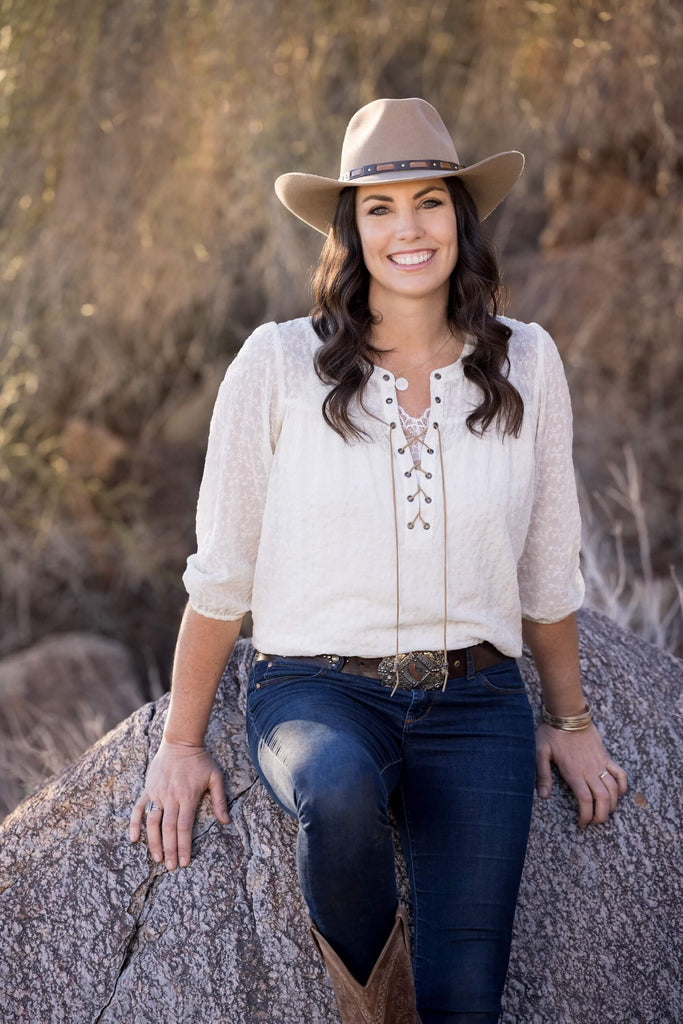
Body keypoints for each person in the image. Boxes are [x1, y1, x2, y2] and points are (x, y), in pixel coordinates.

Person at [129, 98, 628, 1024]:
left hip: (477, 706)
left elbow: (546, 567)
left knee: (468, 997)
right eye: (379, 207)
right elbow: (222, 572)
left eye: (429, 202)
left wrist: (569, 719)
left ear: (460, 219)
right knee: (338, 790)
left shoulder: (528, 363)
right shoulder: (278, 365)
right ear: (349, 232)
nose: (408, 228)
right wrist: (180, 743)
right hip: (317, 693)